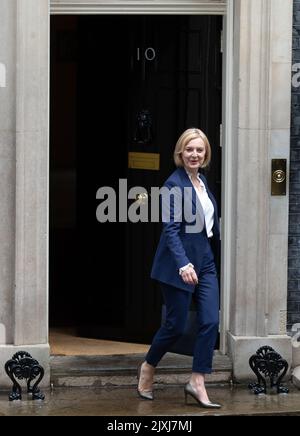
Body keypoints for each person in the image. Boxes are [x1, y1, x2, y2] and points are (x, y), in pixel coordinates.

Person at [137, 128, 221, 408]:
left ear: (206, 153)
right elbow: (170, 230)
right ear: (180, 153)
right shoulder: (174, 185)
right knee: (176, 326)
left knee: (210, 321)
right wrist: (183, 263)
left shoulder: (202, 181)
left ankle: (197, 381)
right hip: (177, 263)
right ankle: (149, 366)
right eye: (189, 150)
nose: (194, 154)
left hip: (205, 260)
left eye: (199, 150)